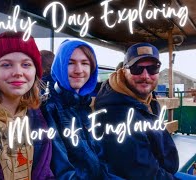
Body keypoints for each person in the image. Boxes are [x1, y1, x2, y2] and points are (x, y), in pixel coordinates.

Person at [94, 42, 180, 179]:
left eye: (153, 68)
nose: (145, 75)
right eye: (136, 68)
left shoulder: (149, 100)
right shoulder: (115, 114)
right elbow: (144, 173)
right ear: (123, 71)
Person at [41, 40, 120, 179]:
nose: (79, 70)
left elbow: (99, 158)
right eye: (70, 63)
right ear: (59, 66)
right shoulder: (50, 108)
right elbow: (62, 172)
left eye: (85, 63)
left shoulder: (83, 105)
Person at [0, 31, 54, 180]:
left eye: (26, 64)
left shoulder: (38, 118)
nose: (17, 72)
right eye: (6, 64)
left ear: (35, 72)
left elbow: (44, 171)